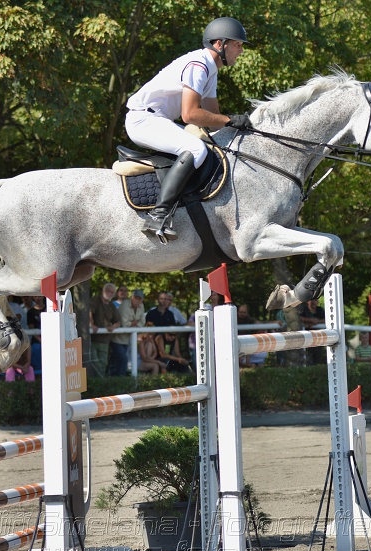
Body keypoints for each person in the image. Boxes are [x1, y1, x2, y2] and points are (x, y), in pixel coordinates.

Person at [125, 17, 251, 239]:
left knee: (211, 146)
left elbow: (212, 117)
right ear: (220, 44)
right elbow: (190, 115)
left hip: (158, 120)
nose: (241, 50)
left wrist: (236, 127)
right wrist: (230, 120)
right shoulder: (198, 65)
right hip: (143, 120)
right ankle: (159, 215)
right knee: (196, 150)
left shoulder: (211, 69)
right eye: (237, 44)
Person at [110, 289, 146, 376]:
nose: (137, 300)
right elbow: (125, 324)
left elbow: (142, 323)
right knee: (123, 360)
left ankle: (117, 381)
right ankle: (120, 381)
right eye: (135, 298)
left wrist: (133, 323)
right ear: (132, 297)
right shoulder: (125, 304)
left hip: (128, 339)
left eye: (139, 299)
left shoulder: (141, 306)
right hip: (117, 339)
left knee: (118, 361)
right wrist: (135, 322)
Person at [89, 283, 121, 376]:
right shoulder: (96, 299)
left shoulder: (112, 306)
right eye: (108, 291)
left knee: (103, 363)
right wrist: (91, 324)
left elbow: (118, 322)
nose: (110, 293)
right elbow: (89, 311)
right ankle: (99, 382)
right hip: (93, 339)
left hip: (105, 340)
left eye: (112, 292)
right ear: (103, 290)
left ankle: (101, 383)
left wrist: (112, 327)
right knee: (94, 362)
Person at [299, 298, 326, 365]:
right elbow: (299, 318)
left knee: (317, 357)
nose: (313, 302)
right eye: (311, 300)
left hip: (319, 338)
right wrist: (310, 320)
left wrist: (316, 322)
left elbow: (327, 319)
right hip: (307, 339)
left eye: (315, 300)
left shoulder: (320, 310)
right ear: (308, 301)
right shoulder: (304, 310)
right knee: (308, 357)